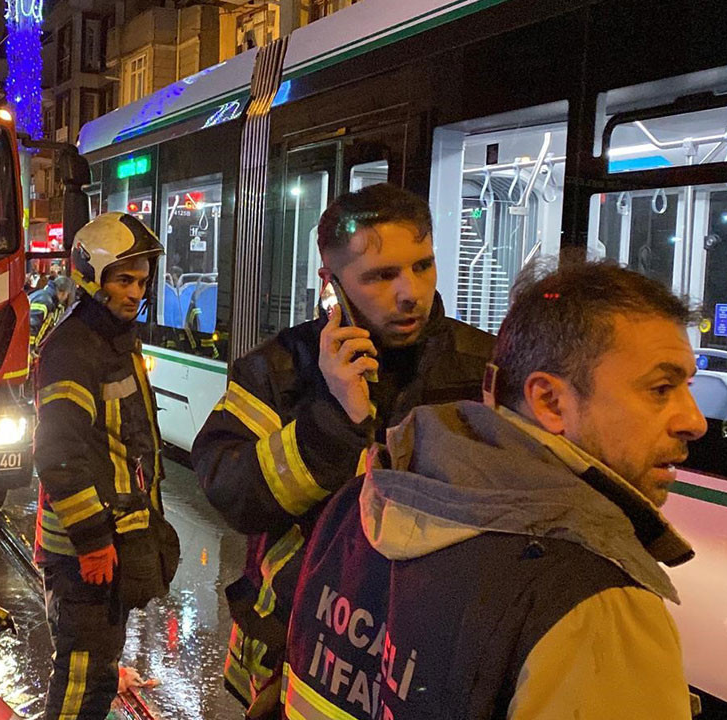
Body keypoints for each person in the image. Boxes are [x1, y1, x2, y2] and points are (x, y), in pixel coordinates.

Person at [283, 259, 705, 719]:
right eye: (661, 388)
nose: (694, 421)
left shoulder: (363, 501)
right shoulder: (597, 606)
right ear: (549, 401)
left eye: (688, 386)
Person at [191, 184, 495, 718]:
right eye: (380, 276)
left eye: (422, 266)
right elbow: (229, 490)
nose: (411, 293)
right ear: (332, 284)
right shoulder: (280, 368)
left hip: (429, 663)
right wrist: (334, 419)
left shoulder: (484, 370)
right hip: (290, 654)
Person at [33, 212, 180, 720]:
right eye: (123, 279)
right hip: (83, 551)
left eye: (141, 280)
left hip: (111, 540)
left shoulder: (113, 339)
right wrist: (94, 540)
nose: (135, 291)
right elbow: (57, 453)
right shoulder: (75, 348)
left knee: (98, 669)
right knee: (83, 678)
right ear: (91, 276)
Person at [29, 274, 74, 353]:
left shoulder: (46, 298)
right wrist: (30, 350)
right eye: (67, 294)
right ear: (62, 293)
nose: (66, 298)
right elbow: (31, 326)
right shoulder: (44, 301)